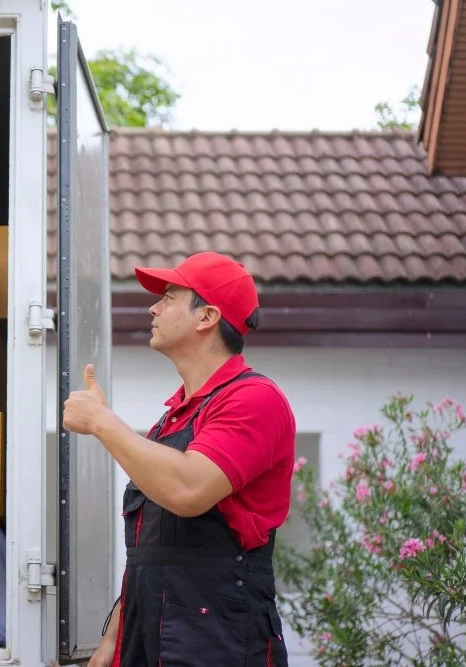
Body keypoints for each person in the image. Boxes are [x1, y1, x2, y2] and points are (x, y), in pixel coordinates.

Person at [62, 251, 295, 667]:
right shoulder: (172, 419)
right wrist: (112, 641)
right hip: (149, 639)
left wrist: (102, 422)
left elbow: (189, 490)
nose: (153, 307)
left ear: (206, 317)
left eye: (169, 297)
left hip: (217, 643)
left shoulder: (255, 400)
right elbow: (152, 552)